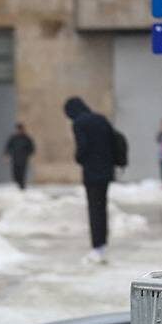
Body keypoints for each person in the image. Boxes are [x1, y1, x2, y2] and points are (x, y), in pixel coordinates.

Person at [64, 96, 116, 265]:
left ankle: (97, 247)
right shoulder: (101, 119)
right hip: (106, 170)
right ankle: (103, 245)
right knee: (102, 207)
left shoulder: (79, 123)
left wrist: (79, 158)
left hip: (92, 173)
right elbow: (113, 141)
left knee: (94, 209)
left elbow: (82, 148)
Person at [3, 123, 36, 190]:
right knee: (15, 173)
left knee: (22, 173)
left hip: (23, 160)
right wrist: (6, 155)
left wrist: (27, 154)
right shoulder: (13, 138)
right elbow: (8, 147)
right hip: (15, 159)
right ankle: (16, 186)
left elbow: (32, 148)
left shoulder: (27, 138)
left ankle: (22, 187)